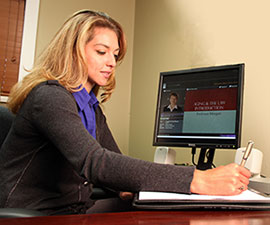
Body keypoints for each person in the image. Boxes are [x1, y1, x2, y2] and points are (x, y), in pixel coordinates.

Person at [0, 10, 251, 215]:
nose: (111, 62)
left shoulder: (90, 106)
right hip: (32, 215)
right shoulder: (49, 97)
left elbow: (113, 161)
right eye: (101, 51)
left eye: (115, 54)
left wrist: (128, 185)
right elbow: (96, 162)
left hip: (73, 211)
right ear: (73, 50)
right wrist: (199, 179)